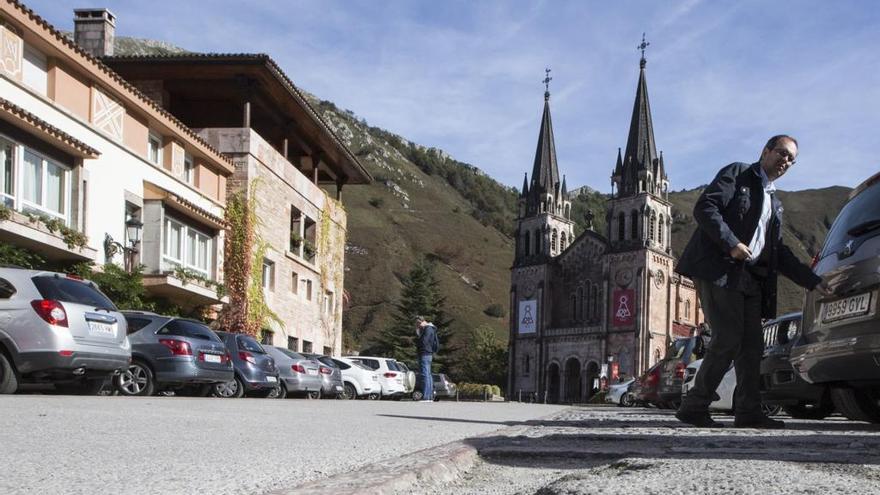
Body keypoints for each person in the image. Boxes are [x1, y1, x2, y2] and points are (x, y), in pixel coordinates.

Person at [675, 135, 830, 429]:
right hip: (718, 268)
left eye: (791, 160)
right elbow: (705, 207)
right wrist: (731, 242)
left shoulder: (775, 203)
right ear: (766, 151)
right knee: (728, 337)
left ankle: (748, 410)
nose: (785, 161)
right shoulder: (738, 173)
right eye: (782, 154)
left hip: (751, 278)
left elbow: (779, 253)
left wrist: (812, 281)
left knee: (752, 347)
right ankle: (694, 406)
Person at [415, 315, 439, 402]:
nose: (417, 325)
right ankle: (429, 396)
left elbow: (424, 341)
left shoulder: (427, 329)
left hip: (425, 353)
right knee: (428, 375)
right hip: (429, 353)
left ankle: (426, 396)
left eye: (417, 323)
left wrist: (418, 334)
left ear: (420, 322)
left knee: (425, 375)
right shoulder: (431, 329)